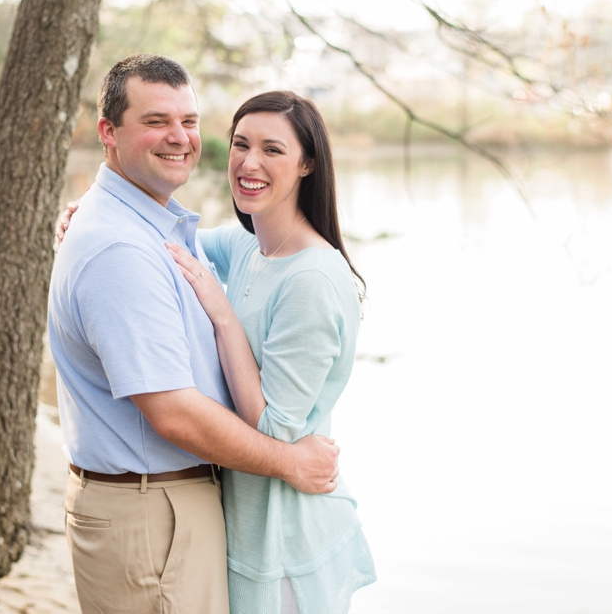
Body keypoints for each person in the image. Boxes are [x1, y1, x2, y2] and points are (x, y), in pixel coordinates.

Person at [56, 89, 377, 613]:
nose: (249, 163)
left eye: (272, 150)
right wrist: (92, 213)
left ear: (307, 164)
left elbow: (275, 430)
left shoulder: (313, 279)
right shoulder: (251, 246)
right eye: (240, 144)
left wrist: (224, 318)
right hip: (239, 525)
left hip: (287, 536)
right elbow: (167, 241)